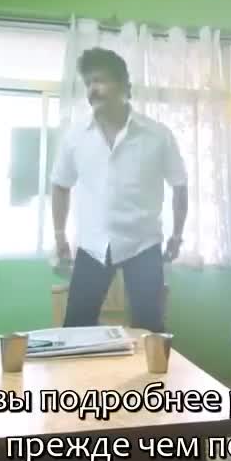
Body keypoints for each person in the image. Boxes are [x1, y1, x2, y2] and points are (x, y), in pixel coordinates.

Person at [50, 47, 188, 332]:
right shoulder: (75, 137)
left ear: (124, 85)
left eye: (100, 80)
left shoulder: (158, 135)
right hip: (93, 244)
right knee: (75, 326)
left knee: (150, 329)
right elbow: (60, 185)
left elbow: (179, 185)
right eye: (88, 83)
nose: (92, 89)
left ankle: (151, 364)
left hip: (143, 243)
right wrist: (59, 234)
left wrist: (177, 235)